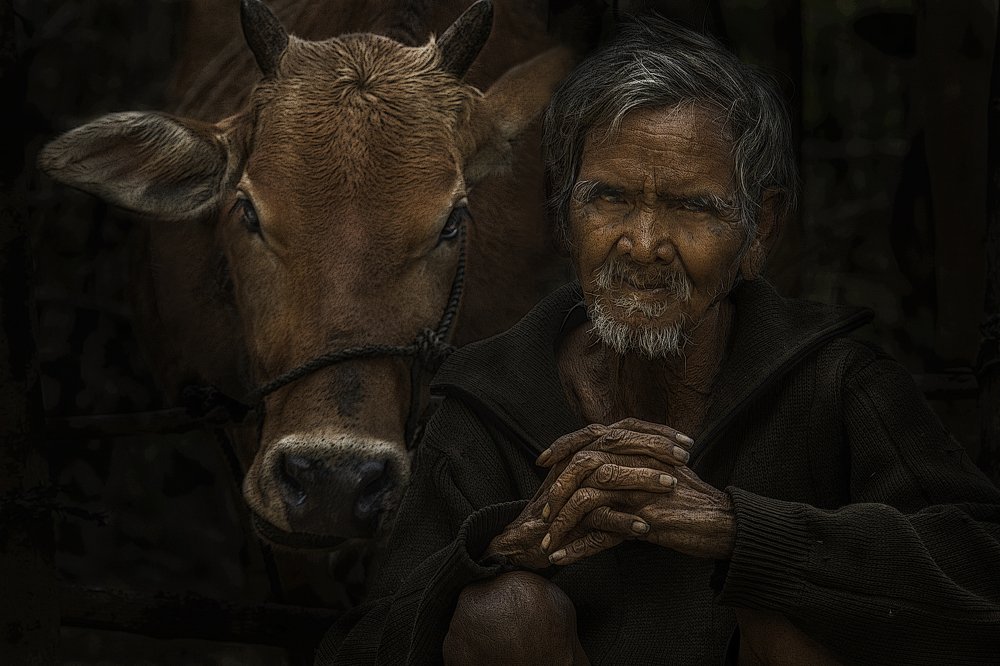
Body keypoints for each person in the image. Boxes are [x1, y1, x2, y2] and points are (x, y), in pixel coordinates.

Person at [316, 18, 1000, 665]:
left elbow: (981, 568)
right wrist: (504, 545)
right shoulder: (484, 398)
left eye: (693, 207)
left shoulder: (835, 382)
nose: (643, 246)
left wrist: (741, 532)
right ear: (564, 210)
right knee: (507, 612)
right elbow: (367, 643)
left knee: (788, 612)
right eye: (609, 199)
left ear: (759, 231)